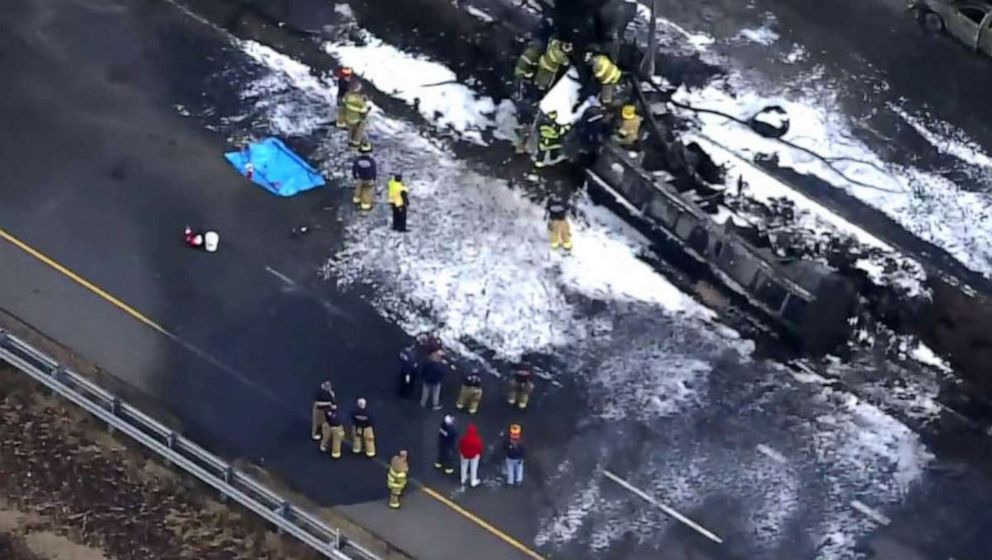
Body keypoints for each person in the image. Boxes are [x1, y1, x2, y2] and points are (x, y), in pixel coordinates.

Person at [340, 80, 371, 148]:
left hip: (348, 117)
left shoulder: (347, 95)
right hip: (357, 118)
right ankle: (356, 142)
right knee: (360, 129)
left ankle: (350, 141)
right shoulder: (359, 99)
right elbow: (363, 109)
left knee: (351, 128)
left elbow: (344, 101)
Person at [351, 142, 376, 212]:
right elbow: (374, 170)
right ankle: (365, 205)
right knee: (367, 191)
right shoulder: (371, 161)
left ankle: (356, 199)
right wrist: (374, 178)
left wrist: (355, 175)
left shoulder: (357, 160)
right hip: (369, 179)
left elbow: (354, 168)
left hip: (360, 178)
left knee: (358, 188)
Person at [458, 423, 483, 487]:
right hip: (474, 456)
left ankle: (463, 479)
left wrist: (461, 452)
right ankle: (473, 481)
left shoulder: (464, 439)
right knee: (474, 468)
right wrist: (480, 453)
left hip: (464, 455)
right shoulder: (477, 439)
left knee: (463, 466)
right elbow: (479, 448)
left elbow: (460, 446)